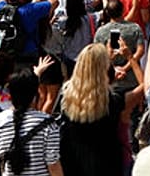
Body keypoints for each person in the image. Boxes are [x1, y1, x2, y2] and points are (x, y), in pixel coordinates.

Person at [59, 43, 143, 176]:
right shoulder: (113, 100)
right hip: (107, 166)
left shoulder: (66, 97)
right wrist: (131, 58)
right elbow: (146, 87)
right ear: (105, 68)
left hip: (73, 166)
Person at [0, 70, 61, 176]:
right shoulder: (49, 123)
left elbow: (2, 160)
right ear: (35, 95)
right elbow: (53, 164)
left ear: (10, 94)